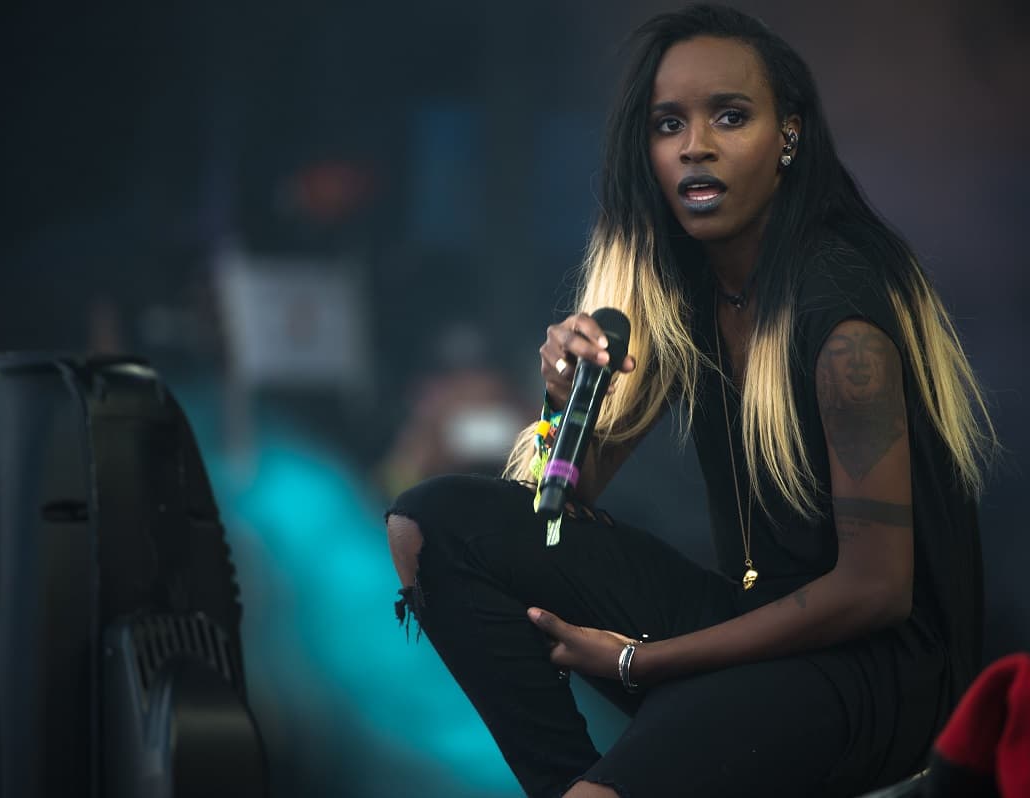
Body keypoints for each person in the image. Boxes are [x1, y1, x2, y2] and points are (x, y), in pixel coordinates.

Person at [385, 5, 995, 797]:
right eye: (668, 124)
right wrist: (560, 403)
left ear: (788, 137)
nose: (694, 145)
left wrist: (642, 662)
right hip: (753, 624)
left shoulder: (842, 318)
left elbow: (875, 591)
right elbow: (559, 510)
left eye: (729, 117)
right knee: (434, 525)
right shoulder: (685, 289)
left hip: (877, 673)